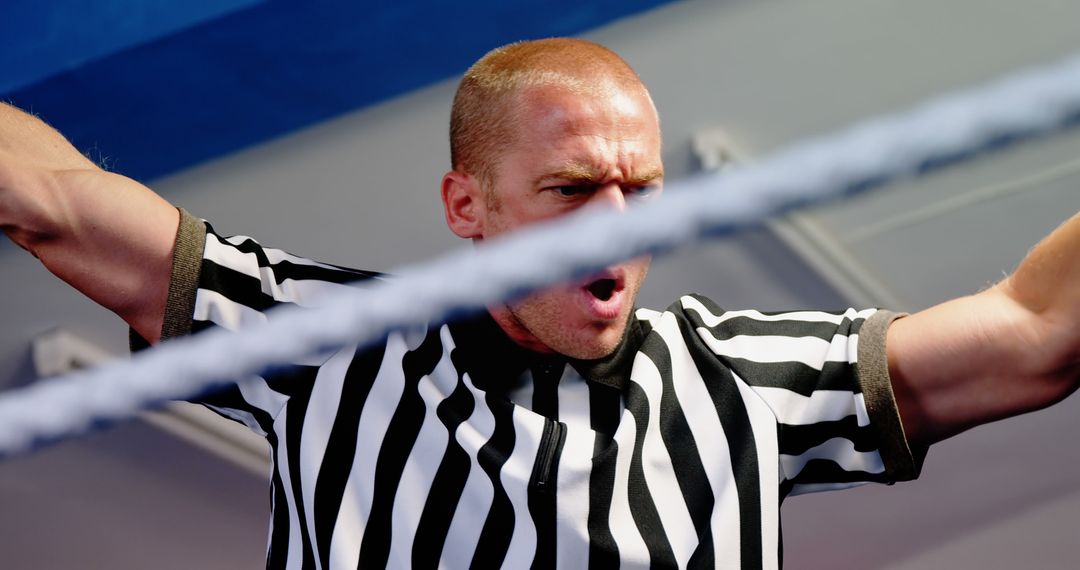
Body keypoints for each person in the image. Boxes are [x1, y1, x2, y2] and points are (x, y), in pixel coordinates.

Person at [1, 37, 1077, 569]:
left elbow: (1037, 334)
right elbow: (53, 203)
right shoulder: (332, 343)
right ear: (467, 205)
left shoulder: (745, 386)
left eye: (639, 190)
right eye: (569, 192)